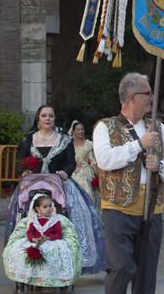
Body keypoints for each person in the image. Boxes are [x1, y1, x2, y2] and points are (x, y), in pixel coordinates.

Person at [94, 72, 164, 294]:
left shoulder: (160, 129)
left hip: (151, 209)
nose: (152, 98)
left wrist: (160, 167)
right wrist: (138, 146)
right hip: (118, 209)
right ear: (131, 98)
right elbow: (106, 159)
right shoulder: (105, 127)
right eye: (147, 94)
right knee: (120, 269)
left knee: (146, 275)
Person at [7, 105, 105, 276]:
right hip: (32, 186)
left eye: (51, 116)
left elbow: (70, 162)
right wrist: (25, 170)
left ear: (54, 119)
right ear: (38, 119)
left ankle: (66, 259)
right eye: (44, 115)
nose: (47, 119)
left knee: (80, 214)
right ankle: (28, 261)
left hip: (60, 184)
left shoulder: (64, 139)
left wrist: (65, 173)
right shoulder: (28, 140)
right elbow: (21, 161)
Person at [3, 193, 80, 288]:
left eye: (50, 206)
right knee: (19, 250)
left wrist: (49, 238)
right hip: (36, 241)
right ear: (38, 209)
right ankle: (28, 275)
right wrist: (33, 239)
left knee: (54, 251)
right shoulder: (32, 220)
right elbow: (29, 232)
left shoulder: (55, 220)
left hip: (51, 242)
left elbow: (58, 234)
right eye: (45, 207)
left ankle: (54, 276)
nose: (49, 209)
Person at [69, 120, 100, 207]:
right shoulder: (69, 145)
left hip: (85, 171)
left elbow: (93, 160)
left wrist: (98, 175)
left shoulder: (89, 144)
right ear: (73, 131)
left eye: (82, 129)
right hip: (72, 171)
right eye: (78, 130)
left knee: (86, 189)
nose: (81, 131)